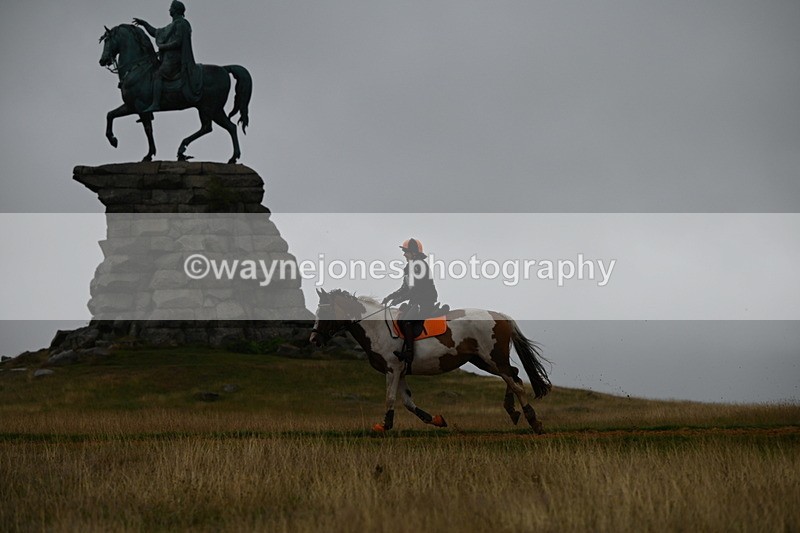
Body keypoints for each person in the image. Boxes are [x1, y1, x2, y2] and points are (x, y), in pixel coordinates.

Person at [133, 0, 202, 112]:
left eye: (171, 7)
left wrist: (163, 47)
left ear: (175, 10)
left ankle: (156, 104)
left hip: (176, 59)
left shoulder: (182, 23)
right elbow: (156, 33)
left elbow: (178, 41)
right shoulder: (171, 26)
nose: (169, 10)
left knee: (158, 75)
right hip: (168, 58)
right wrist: (144, 24)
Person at [382, 238, 438, 366]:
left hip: (425, 301)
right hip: (416, 299)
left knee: (406, 321)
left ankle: (409, 353)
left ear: (414, 253)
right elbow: (405, 289)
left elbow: (414, 291)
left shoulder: (419, 266)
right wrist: (390, 297)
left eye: (405, 251)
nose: (404, 254)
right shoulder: (409, 267)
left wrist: (397, 300)